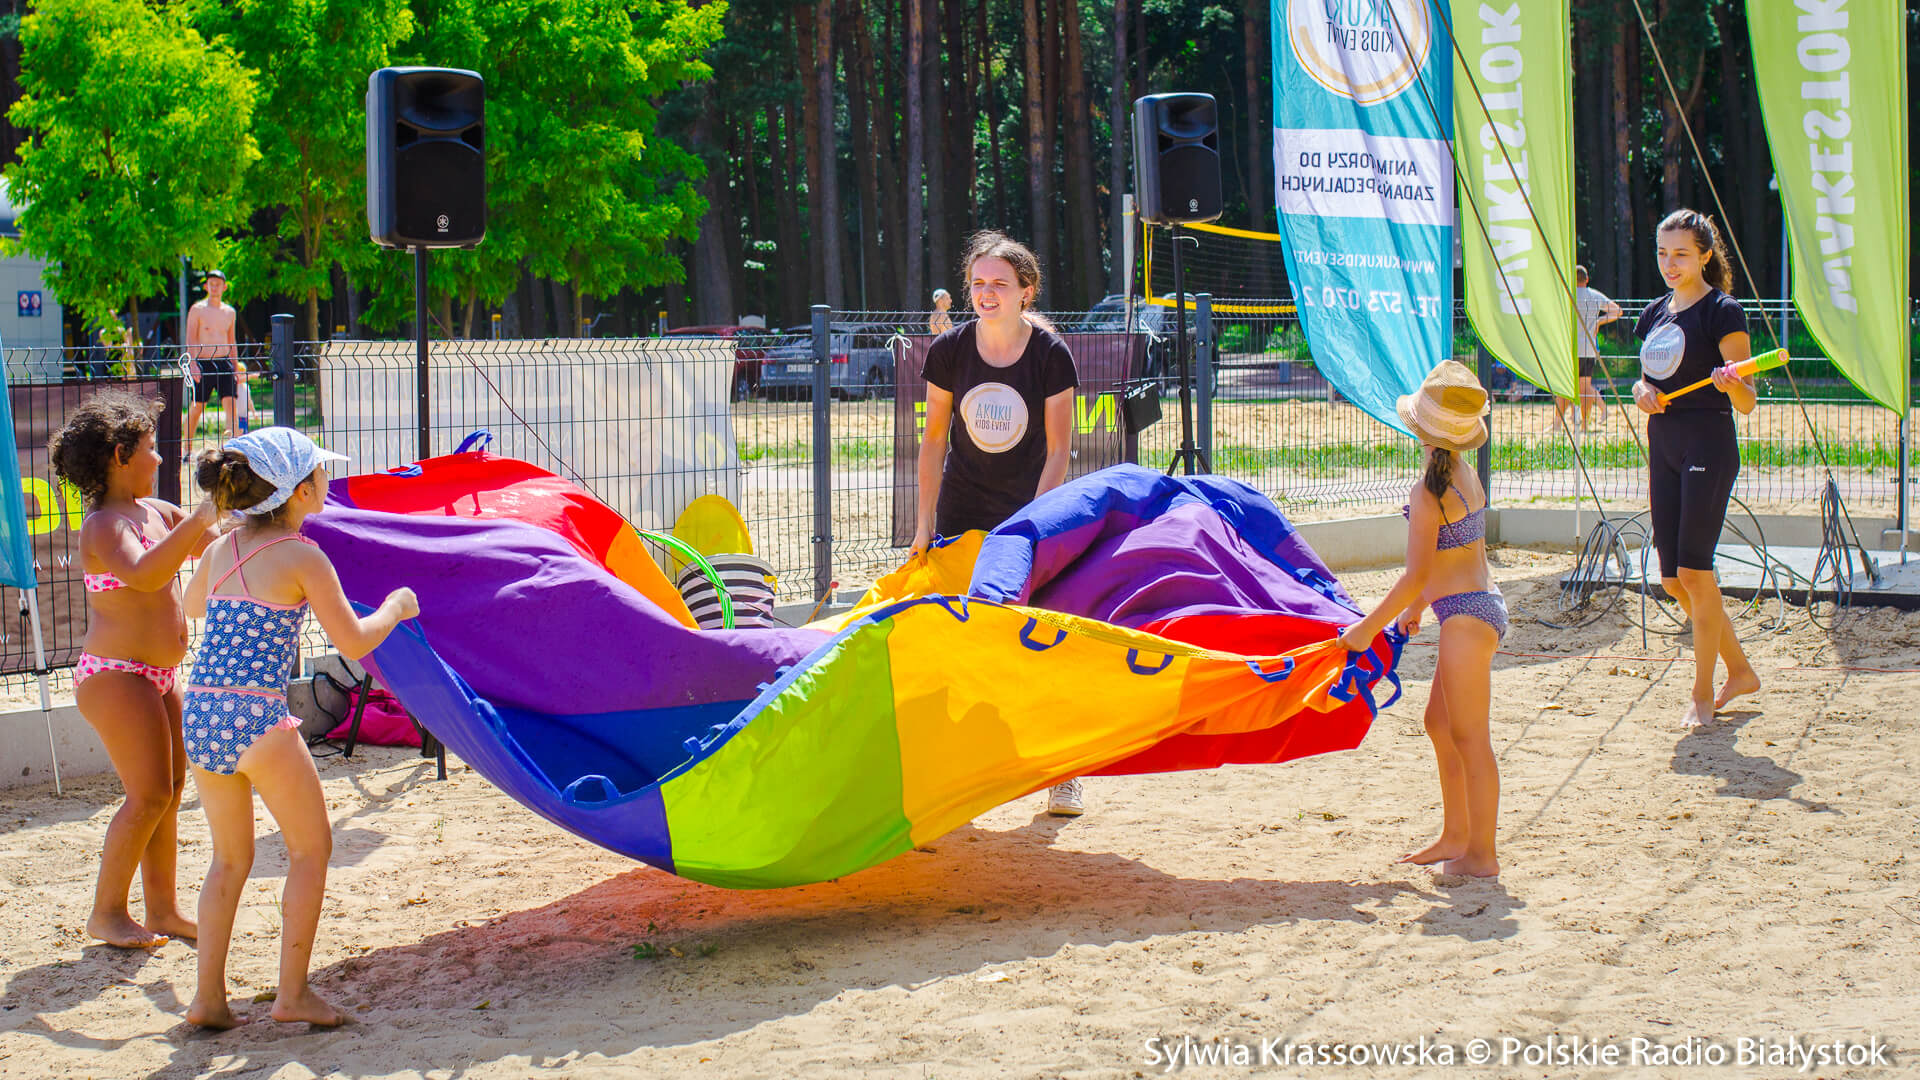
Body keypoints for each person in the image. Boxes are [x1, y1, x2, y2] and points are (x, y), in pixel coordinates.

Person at [182, 427, 418, 1029]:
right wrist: (396, 607)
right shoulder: (304, 556)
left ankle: (208, 999)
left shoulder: (222, 548)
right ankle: (292, 995)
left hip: (203, 712)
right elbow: (354, 642)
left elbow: (192, 606)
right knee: (312, 850)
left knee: (228, 859)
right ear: (299, 491)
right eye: (319, 471)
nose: (326, 478)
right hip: (257, 713)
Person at [909, 230, 1082, 816]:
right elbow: (934, 439)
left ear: (1026, 292)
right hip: (962, 514)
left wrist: (1035, 526)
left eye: (1000, 284)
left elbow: (1059, 450)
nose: (987, 293)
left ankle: (1063, 773)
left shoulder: (1051, 355)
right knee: (961, 640)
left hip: (1028, 516)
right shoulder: (949, 351)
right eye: (978, 283)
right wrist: (924, 522)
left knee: (1038, 640)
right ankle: (958, 772)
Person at [49, 389, 227, 947]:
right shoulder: (104, 526)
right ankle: (106, 913)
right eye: (151, 447)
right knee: (146, 795)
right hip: (115, 675)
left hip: (158, 676)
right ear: (120, 456)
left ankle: (163, 910)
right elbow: (147, 574)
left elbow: (217, 549)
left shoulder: (157, 512)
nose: (160, 457)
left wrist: (251, 512)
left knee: (169, 791)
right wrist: (200, 517)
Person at [1339, 361, 1502, 878]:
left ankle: (1482, 855)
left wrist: (1366, 629)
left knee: (1471, 738)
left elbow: (1416, 575)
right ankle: (1456, 836)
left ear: (1420, 428)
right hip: (1472, 608)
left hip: (1466, 617)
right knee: (1439, 724)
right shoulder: (1461, 472)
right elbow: (1446, 559)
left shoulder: (1428, 489)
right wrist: (1414, 611)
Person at [1631, 209, 1761, 728]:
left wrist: (1734, 384)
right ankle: (1741, 671)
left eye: (1681, 254)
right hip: (1663, 444)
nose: (1670, 263)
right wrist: (1641, 391)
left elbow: (1748, 402)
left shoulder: (1723, 311)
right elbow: (1647, 381)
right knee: (1672, 580)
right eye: (1663, 253)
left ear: (1705, 255)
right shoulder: (1653, 314)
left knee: (1694, 573)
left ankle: (1702, 694)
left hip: (1708, 444)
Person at [1558, 265, 1623, 429]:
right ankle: (1585, 424)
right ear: (1587, 279)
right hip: (1588, 347)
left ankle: (1557, 423)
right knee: (1585, 388)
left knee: (1564, 385)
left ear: (1571, 278)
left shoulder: (1567, 294)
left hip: (1569, 348)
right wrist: (1600, 321)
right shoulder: (1594, 295)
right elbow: (1617, 311)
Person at [184, 270, 240, 460]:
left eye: (218, 284)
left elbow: (232, 340)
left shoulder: (230, 312)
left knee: (231, 405)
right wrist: (193, 364)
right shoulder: (197, 309)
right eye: (211, 284)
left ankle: (231, 448)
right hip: (203, 363)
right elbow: (191, 337)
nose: (214, 287)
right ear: (206, 286)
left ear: (224, 287)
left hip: (224, 362)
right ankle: (187, 449)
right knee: (197, 407)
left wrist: (235, 366)